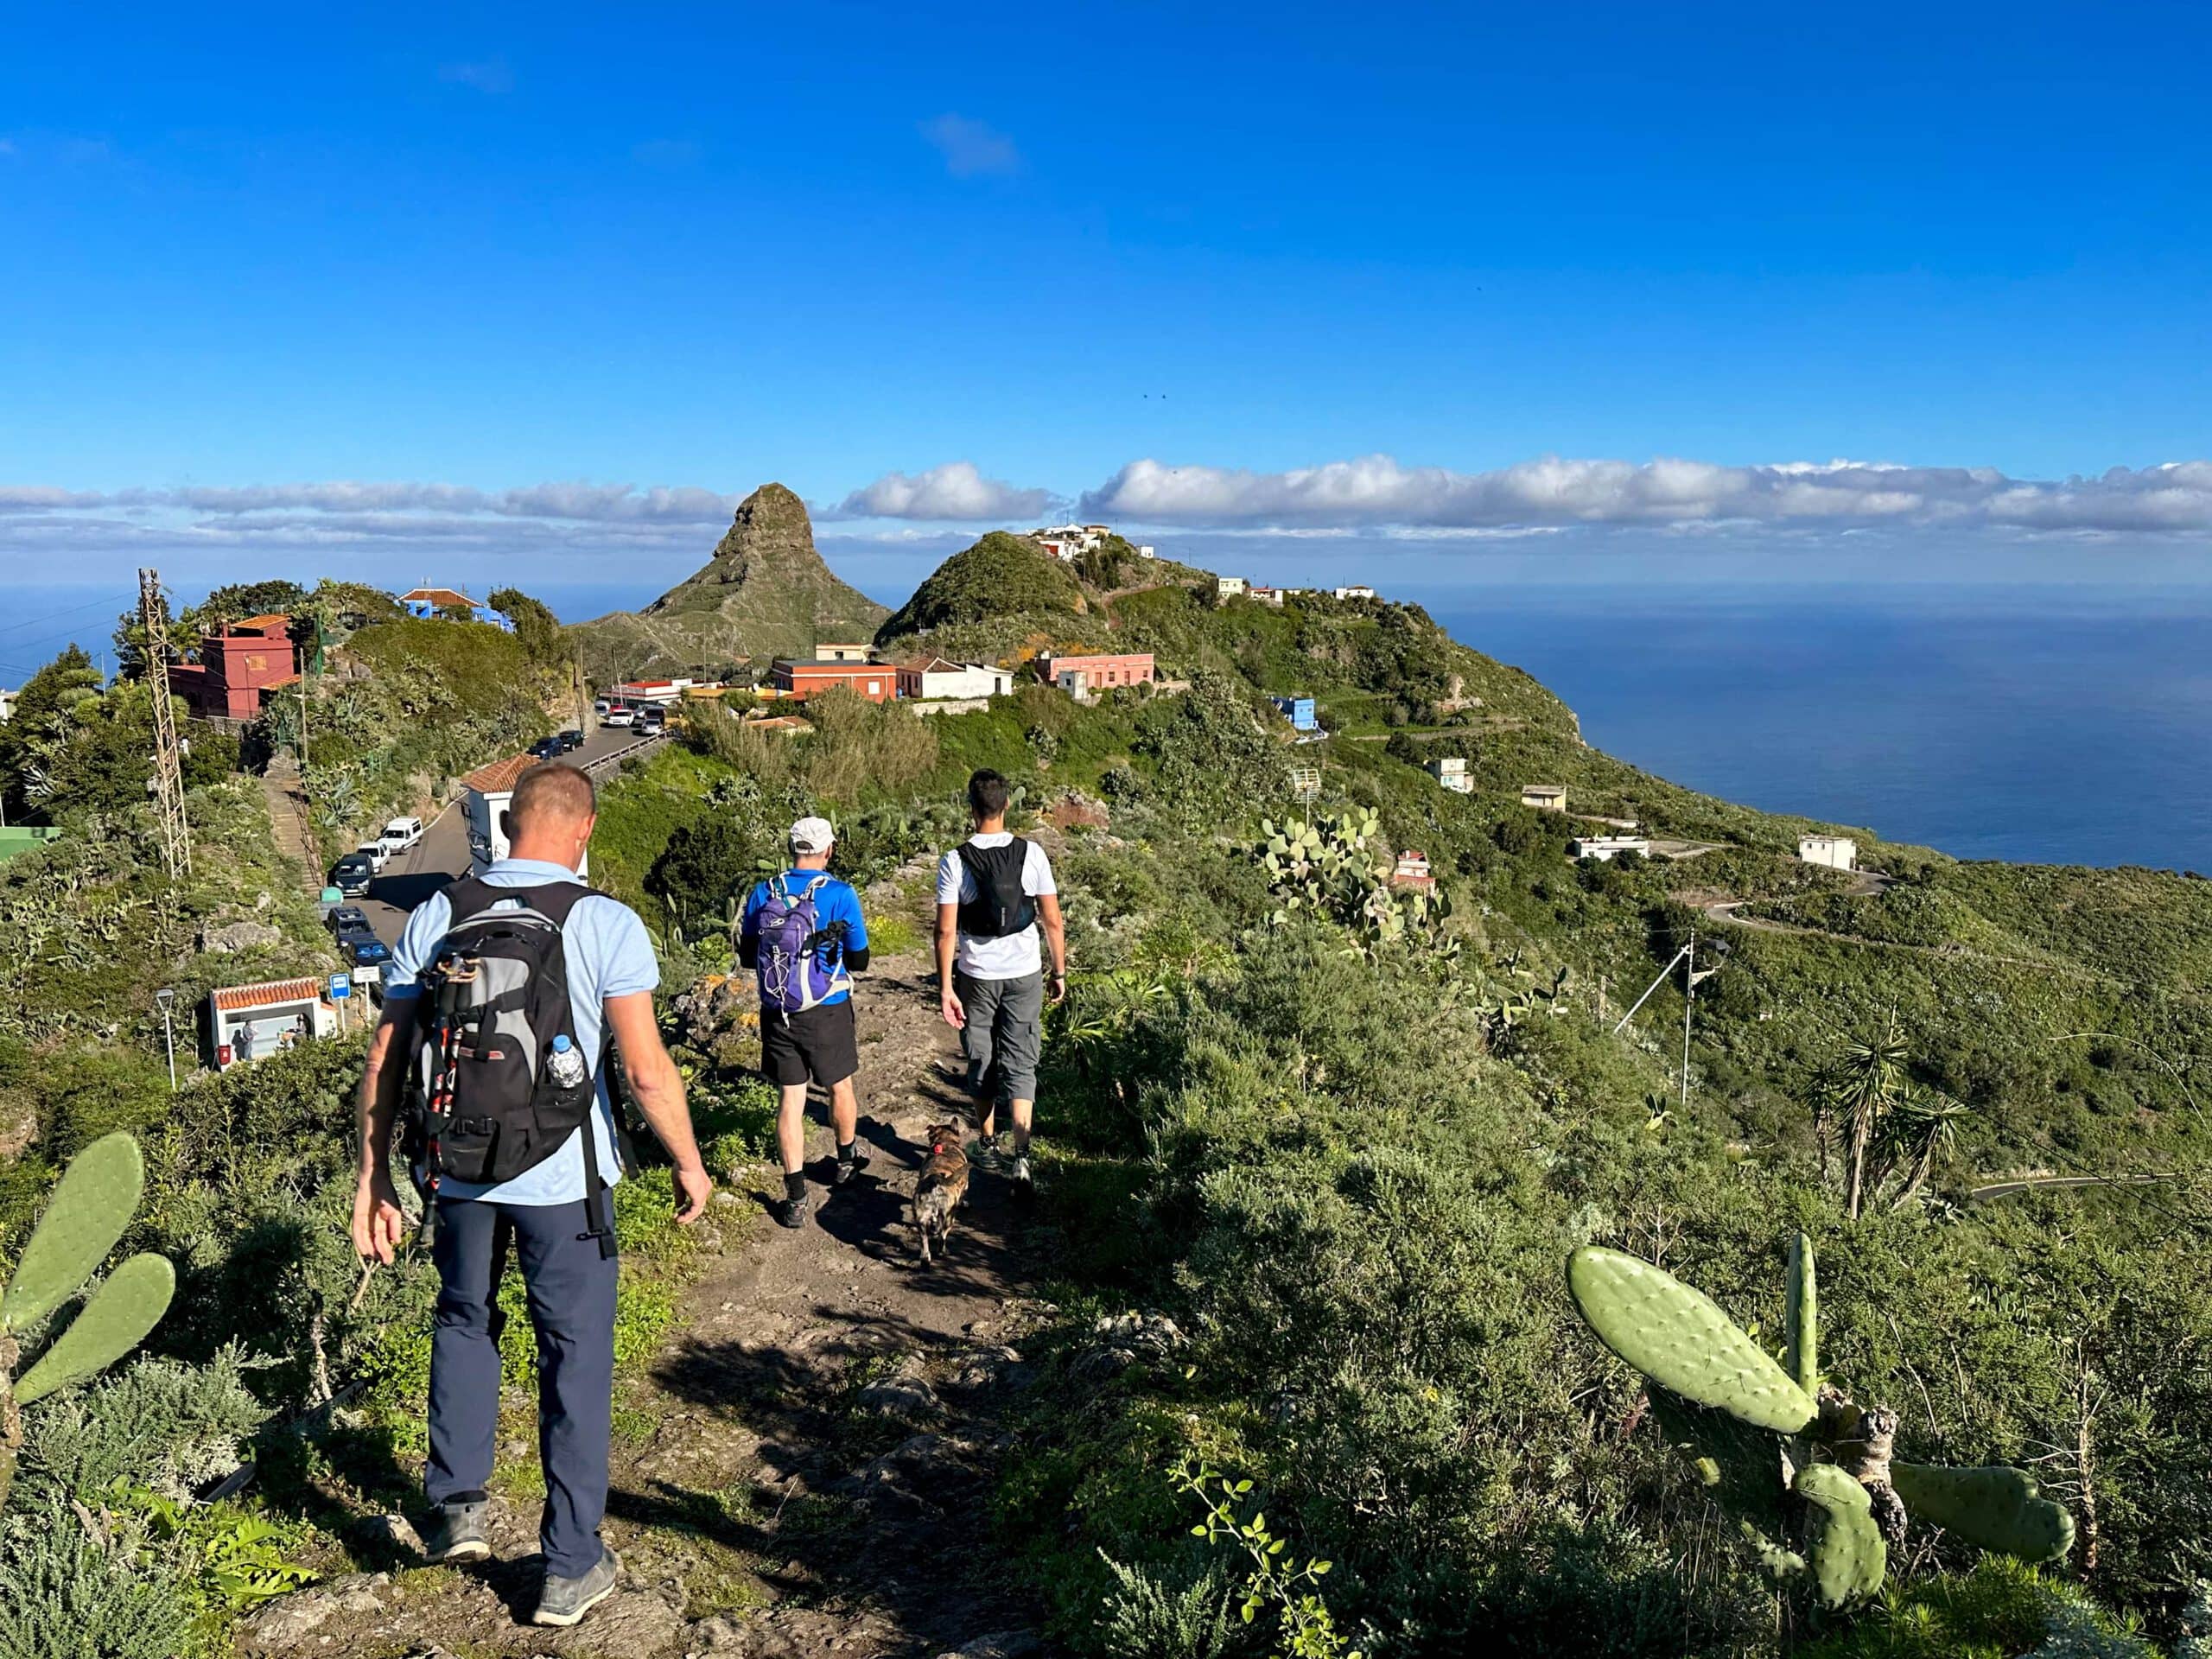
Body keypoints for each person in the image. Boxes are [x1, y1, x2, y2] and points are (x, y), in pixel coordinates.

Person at [351, 763, 712, 1630]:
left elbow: (387, 1060)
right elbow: (646, 1069)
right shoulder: (603, 922)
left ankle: (459, 1511)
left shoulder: (435, 915)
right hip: (564, 1183)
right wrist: (690, 1163)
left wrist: (372, 1178)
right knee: (575, 1358)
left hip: (460, 1171)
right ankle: (569, 1565)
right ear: (583, 829)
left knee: (464, 1319)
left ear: (509, 827)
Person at [739, 816, 873, 1230]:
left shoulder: (764, 891)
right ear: (828, 849)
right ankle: (846, 1162)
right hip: (826, 1007)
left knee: (790, 1101)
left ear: (791, 848)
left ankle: (796, 1198)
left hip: (778, 1010)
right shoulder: (840, 894)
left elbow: (747, 956)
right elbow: (860, 960)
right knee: (839, 1086)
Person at [937, 770, 1066, 1187]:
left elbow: (945, 931)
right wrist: (1058, 971)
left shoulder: (954, 860)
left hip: (976, 972)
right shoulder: (1032, 854)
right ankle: (1023, 1155)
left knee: (981, 1054)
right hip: (1025, 970)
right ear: (1007, 804)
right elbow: (1052, 921)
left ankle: (989, 1144)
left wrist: (945, 987)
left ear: (971, 809)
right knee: (1022, 1057)